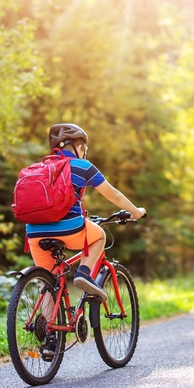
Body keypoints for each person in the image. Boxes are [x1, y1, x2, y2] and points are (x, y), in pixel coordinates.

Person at [26, 124, 146, 300]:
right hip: (69, 228)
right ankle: (83, 273)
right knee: (99, 236)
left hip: (34, 231)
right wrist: (136, 212)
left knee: (47, 282)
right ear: (79, 146)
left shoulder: (39, 168)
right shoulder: (82, 166)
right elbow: (114, 195)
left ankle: (48, 326)